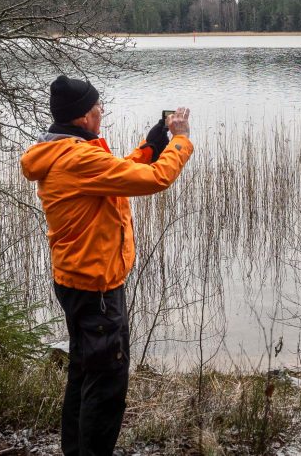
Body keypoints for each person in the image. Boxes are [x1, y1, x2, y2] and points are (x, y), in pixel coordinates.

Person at [20, 75, 193, 456]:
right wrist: (179, 139)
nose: (102, 112)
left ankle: (76, 450)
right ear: (83, 116)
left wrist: (151, 146)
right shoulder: (79, 158)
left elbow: (115, 172)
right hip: (96, 288)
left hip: (76, 280)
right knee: (107, 382)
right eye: (98, 106)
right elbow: (156, 179)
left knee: (85, 371)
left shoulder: (65, 152)